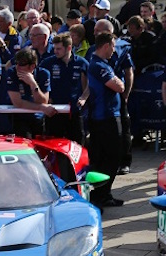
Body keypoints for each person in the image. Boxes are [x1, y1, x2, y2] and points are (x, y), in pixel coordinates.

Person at [87, 32, 126, 208]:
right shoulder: (98, 65)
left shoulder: (103, 64)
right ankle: (100, 194)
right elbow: (118, 86)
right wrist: (118, 80)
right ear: (105, 46)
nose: (114, 50)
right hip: (105, 117)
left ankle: (104, 193)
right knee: (110, 157)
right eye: (113, 46)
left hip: (108, 115)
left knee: (110, 157)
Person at [41, 32, 89, 143]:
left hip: (74, 111)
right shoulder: (48, 63)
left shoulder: (81, 63)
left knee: (77, 142)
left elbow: (91, 84)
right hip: (54, 111)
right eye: (54, 48)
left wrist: (84, 97)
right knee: (53, 143)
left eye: (58, 49)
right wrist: (46, 97)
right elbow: (38, 80)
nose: (55, 51)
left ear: (69, 48)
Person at [6, 47, 57, 138]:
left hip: (38, 117)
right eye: (16, 63)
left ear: (32, 66)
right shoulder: (12, 72)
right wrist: (41, 107)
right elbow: (17, 102)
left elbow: (43, 101)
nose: (17, 67)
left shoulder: (43, 74)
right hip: (19, 117)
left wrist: (33, 83)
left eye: (21, 64)